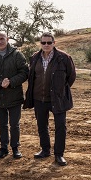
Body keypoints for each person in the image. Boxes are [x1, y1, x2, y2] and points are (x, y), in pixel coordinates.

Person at [24, 32, 76, 166]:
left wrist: (60, 91)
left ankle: (59, 155)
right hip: (39, 99)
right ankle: (45, 150)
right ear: (40, 43)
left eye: (49, 42)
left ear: (54, 43)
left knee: (60, 127)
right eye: (43, 43)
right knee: (42, 126)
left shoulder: (64, 58)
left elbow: (71, 76)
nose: (46, 45)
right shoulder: (35, 57)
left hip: (58, 99)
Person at [0, 31, 28, 159]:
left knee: (14, 124)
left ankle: (15, 148)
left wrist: (11, 82)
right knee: (2, 124)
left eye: (2, 39)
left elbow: (24, 73)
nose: (0, 42)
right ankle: (3, 148)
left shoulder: (17, 55)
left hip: (14, 96)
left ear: (7, 39)